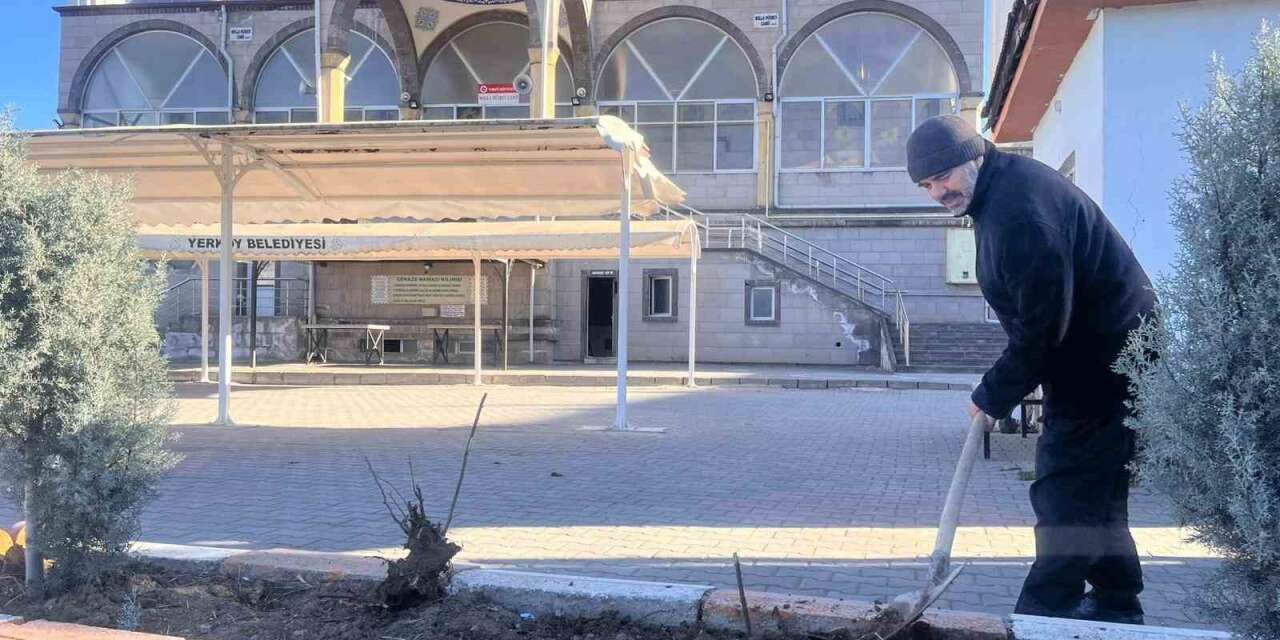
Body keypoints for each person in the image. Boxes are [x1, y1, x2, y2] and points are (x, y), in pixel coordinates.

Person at [905, 115, 1156, 624]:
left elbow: (1044, 328)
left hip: (1107, 360)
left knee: (1064, 484)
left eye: (943, 177)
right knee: (1098, 484)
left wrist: (994, 393)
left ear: (974, 156)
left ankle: (1044, 613)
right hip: (1096, 354)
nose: (937, 193)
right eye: (927, 184)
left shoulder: (1019, 214)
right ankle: (1117, 600)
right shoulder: (999, 192)